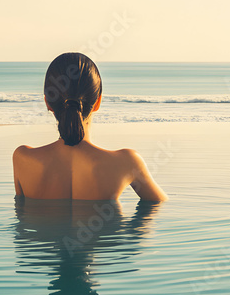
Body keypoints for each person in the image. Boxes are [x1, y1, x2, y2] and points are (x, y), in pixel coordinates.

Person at [12, 53, 168, 202]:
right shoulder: (127, 162)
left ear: (47, 103)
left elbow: (21, 218)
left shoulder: (22, 159)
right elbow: (159, 206)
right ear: (98, 102)